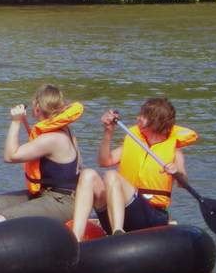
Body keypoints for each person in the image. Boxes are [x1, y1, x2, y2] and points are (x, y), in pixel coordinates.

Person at [71, 98, 196, 240]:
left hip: (150, 216)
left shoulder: (175, 151)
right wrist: (108, 132)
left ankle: (118, 233)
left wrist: (177, 173)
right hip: (121, 209)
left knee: (112, 175)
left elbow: (182, 182)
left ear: (155, 122)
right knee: (88, 175)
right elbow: (104, 161)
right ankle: (76, 238)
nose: (138, 118)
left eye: (143, 116)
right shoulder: (134, 140)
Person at [0, 84, 83, 222]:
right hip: (46, 194)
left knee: (1, 218)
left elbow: (10, 156)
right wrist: (23, 121)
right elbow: (36, 146)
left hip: (63, 202)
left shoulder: (53, 138)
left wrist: (15, 122)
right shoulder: (62, 129)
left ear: (37, 108)